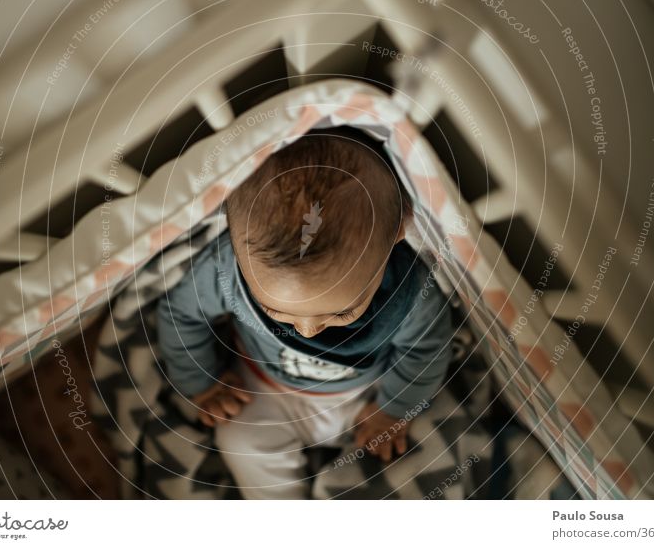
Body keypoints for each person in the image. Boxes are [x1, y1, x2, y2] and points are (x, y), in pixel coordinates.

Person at [157, 127, 454, 499]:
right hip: (263, 390)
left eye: (340, 312)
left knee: (421, 448)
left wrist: (394, 409)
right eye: (274, 310)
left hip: (368, 397)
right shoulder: (225, 272)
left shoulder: (411, 291)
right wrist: (199, 382)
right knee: (239, 439)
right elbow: (181, 314)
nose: (308, 330)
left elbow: (426, 351)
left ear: (397, 232)